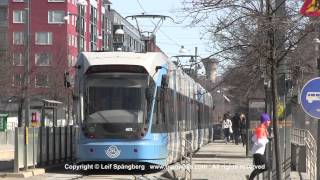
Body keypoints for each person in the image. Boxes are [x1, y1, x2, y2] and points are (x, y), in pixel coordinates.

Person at [248, 113, 271, 180]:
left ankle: (250, 178)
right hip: (258, 153)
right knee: (265, 167)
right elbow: (259, 142)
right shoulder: (261, 129)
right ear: (265, 121)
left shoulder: (261, 128)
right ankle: (250, 178)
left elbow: (253, 139)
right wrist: (268, 139)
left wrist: (266, 137)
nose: (270, 122)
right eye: (269, 120)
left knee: (259, 168)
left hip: (257, 153)